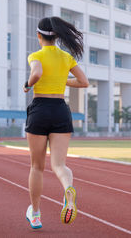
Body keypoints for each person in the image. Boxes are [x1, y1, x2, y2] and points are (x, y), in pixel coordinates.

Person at [24, 16, 89, 229]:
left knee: (37, 167)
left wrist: (27, 84)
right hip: (61, 110)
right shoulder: (66, 57)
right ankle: (68, 190)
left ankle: (35, 215)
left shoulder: (36, 55)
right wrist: (62, 81)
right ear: (57, 36)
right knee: (59, 164)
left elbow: (37, 73)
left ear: (38, 36)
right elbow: (84, 82)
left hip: (40, 109)